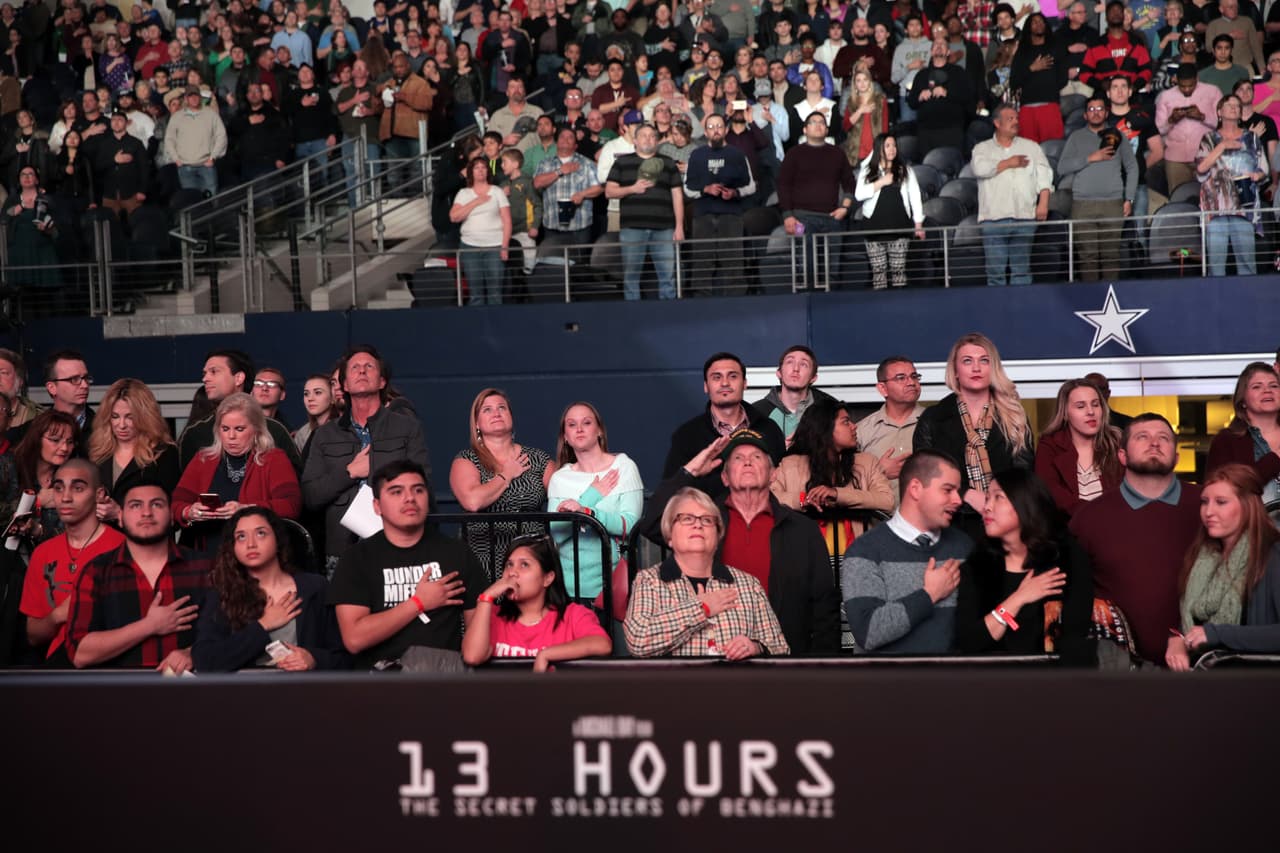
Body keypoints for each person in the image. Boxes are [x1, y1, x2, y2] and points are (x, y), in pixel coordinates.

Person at [1070, 413, 1202, 665]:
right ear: (1122, 456)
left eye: (1163, 438)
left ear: (1176, 457)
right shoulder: (1089, 517)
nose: (1154, 443)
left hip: (1199, 666)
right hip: (1117, 674)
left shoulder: (1207, 506)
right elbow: (1074, 594)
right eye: (1143, 437)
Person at [329, 460, 485, 670]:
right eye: (396, 492)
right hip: (379, 683)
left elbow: (480, 630)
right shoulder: (357, 558)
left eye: (418, 490)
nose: (410, 498)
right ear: (377, 506)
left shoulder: (457, 553)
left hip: (444, 680)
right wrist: (418, 603)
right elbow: (354, 639)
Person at [301, 345, 431, 571]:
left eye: (369, 367)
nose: (362, 371)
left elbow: (423, 483)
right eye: (355, 368)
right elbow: (310, 495)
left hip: (398, 545)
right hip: (341, 552)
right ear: (344, 385)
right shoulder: (324, 435)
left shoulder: (407, 427)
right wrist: (349, 472)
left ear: (382, 382)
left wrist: (372, 466)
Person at [625, 486, 790, 658]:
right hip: (676, 685)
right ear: (669, 536)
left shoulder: (749, 585)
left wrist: (757, 647)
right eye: (687, 518)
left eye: (707, 520)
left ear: (718, 535)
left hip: (734, 684)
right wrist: (701, 608)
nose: (697, 524)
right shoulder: (650, 581)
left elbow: (781, 649)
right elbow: (638, 641)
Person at [66, 481, 210, 672]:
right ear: (120, 517)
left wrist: (195, 653)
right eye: (135, 505)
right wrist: (149, 626)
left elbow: (234, 633)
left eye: (157, 504)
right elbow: (79, 653)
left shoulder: (206, 568)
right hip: (118, 695)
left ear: (171, 517)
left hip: (190, 694)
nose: (146, 513)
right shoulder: (96, 572)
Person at [955, 468, 1096, 664]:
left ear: (1025, 503)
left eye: (998, 498)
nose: (987, 506)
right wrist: (1018, 598)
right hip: (993, 683)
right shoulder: (978, 566)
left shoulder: (1065, 558)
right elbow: (970, 642)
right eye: (987, 498)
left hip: (1055, 683)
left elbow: (1075, 636)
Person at [842, 449, 972, 653]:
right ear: (916, 489)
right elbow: (868, 633)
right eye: (948, 490)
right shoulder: (864, 551)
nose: (958, 500)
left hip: (954, 681)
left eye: (958, 491)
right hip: (890, 683)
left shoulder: (964, 547)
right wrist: (929, 595)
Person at [192, 507, 348, 671]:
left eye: (261, 533)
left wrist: (314, 659)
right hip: (242, 693)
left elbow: (344, 659)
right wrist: (262, 625)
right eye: (241, 537)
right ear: (233, 547)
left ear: (278, 541)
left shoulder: (315, 587)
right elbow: (205, 661)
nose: (251, 544)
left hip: (302, 692)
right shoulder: (222, 594)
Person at [914, 333, 1035, 541]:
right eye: (967, 361)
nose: (976, 368)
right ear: (955, 370)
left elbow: (1023, 476)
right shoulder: (933, 419)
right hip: (948, 527)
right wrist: (967, 494)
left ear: (993, 368)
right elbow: (925, 477)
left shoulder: (1015, 416)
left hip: (1004, 524)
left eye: (984, 360)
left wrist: (992, 500)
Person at [1167, 464, 1280, 668]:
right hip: (1214, 682)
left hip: (1261, 688)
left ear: (1247, 505)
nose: (1208, 511)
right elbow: (1193, 621)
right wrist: (1177, 640)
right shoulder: (1204, 557)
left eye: (1221, 502)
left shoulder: (1273, 556)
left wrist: (1216, 634)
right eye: (1204, 502)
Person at [19, 460, 126, 663]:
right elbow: (33, 636)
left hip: (111, 667)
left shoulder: (122, 547)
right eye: (59, 488)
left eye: (78, 488)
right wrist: (58, 615)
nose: (66, 498)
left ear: (99, 494)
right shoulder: (43, 553)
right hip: (57, 671)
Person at [171, 393, 302, 555]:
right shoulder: (203, 459)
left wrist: (246, 510)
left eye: (239, 429)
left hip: (256, 555)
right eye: (225, 429)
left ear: (256, 429)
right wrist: (188, 512)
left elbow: (291, 506)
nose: (231, 437)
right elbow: (176, 504)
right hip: (206, 555)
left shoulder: (274, 459)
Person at [461, 534, 612, 669]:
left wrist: (546, 655)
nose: (512, 573)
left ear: (548, 578)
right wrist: (486, 598)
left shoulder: (573, 614)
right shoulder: (491, 614)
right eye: (509, 564)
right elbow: (472, 656)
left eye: (524, 565)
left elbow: (602, 644)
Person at [449, 388, 556, 580]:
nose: (496, 413)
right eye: (487, 409)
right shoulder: (466, 459)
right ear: (477, 424)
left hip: (531, 559)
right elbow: (472, 501)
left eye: (502, 408)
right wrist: (506, 475)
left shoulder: (538, 459)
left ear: (511, 417)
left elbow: (564, 496)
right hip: (483, 560)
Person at [771, 400, 895, 556]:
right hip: (805, 558)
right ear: (825, 428)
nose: (854, 426)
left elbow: (887, 501)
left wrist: (837, 494)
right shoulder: (790, 464)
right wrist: (805, 499)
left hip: (858, 559)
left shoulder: (867, 462)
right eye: (845, 422)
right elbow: (770, 499)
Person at [657, 352, 786, 502]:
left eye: (733, 376)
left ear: (745, 383)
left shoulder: (769, 429)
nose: (725, 383)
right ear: (706, 386)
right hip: (707, 520)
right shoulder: (686, 435)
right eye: (717, 377)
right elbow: (671, 494)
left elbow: (783, 482)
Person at [545, 402, 643, 599]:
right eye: (572, 425)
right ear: (565, 437)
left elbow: (630, 526)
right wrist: (591, 496)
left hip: (615, 587)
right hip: (571, 590)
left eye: (587, 423)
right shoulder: (560, 478)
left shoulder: (623, 468)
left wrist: (586, 512)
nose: (579, 429)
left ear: (599, 430)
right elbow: (557, 533)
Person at [1057, 96, 1138, 282]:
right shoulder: (1076, 137)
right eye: (1092, 110)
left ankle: (1111, 297)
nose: (1096, 113)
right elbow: (1062, 167)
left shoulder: (1119, 136)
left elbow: (1132, 167)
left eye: (1100, 108)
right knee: (1087, 258)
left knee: (1111, 257)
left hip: (1113, 203)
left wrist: (1130, 198)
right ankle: (1091, 300)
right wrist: (1090, 158)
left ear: (1106, 112)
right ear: (1085, 115)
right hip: (1082, 205)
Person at [971, 104, 1053, 287]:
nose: (1016, 122)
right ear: (997, 123)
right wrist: (1009, 162)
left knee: (1022, 273)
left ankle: (1022, 312)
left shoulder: (1031, 147)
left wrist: (1043, 203)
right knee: (995, 275)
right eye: (1010, 119)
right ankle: (997, 313)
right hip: (993, 219)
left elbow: (1045, 177)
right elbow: (980, 168)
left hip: (1024, 217)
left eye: (1017, 118)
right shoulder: (982, 149)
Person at [178, 350, 300, 471]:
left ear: (239, 378)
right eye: (204, 373)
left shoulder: (273, 430)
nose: (205, 378)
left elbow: (294, 482)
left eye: (214, 371)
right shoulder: (195, 434)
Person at [605, 123, 685, 301]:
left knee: (668, 275)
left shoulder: (668, 163)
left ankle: (669, 314)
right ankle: (634, 316)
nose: (648, 139)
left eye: (652, 136)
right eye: (643, 135)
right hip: (632, 228)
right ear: (635, 140)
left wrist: (679, 227)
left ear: (657, 140)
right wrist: (632, 189)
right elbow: (609, 191)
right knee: (631, 276)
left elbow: (677, 195)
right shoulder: (622, 162)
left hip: (664, 228)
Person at [87, 379, 180, 524]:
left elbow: (171, 517)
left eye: (130, 417)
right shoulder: (97, 451)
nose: (121, 425)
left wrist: (119, 514)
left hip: (146, 543)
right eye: (115, 417)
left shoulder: (164, 453)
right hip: (104, 541)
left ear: (145, 417)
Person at [683, 113, 756, 296]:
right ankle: (701, 300)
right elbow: (687, 188)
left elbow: (751, 186)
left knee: (733, 258)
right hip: (703, 214)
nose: (715, 130)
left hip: (731, 214)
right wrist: (705, 190)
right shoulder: (696, 155)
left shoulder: (738, 154)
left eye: (719, 126)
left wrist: (735, 192)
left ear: (725, 130)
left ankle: (736, 299)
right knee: (702, 258)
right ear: (705, 132)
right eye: (711, 127)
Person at [1196, 93, 1266, 277]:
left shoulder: (1251, 138)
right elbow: (1201, 168)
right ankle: (1215, 302)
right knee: (1217, 264)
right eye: (1229, 104)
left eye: (1237, 105)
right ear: (1219, 112)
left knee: (1247, 264)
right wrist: (1222, 146)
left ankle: (1249, 301)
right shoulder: (1209, 138)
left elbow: (1263, 169)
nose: (1234, 107)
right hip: (1216, 207)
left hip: (1244, 206)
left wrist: (1257, 175)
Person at [1035, 378, 1125, 520]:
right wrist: (1092, 513)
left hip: (1113, 526)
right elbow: (1049, 491)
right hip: (1067, 531)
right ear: (1065, 413)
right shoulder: (1050, 446)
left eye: (1095, 405)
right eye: (1080, 406)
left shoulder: (1117, 442)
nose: (1090, 412)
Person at [854, 132, 925, 290]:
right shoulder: (868, 170)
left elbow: (915, 197)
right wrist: (881, 182)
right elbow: (859, 195)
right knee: (878, 273)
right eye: (887, 145)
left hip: (900, 226)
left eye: (894, 145)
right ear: (879, 148)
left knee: (899, 271)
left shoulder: (905, 169)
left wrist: (918, 224)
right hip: (874, 227)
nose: (892, 149)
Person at [1207, 362, 1280, 505]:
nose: (1267, 391)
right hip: (1250, 527)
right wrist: (1274, 459)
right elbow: (1222, 494)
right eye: (1257, 387)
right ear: (1243, 401)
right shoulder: (1226, 441)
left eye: (1274, 386)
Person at [857, 356, 926, 500]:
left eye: (914, 376)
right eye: (901, 378)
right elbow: (846, 482)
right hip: (877, 519)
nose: (911, 383)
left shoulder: (934, 421)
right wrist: (879, 472)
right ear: (883, 388)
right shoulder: (861, 431)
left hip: (927, 518)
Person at [451, 157, 511, 306]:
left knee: (495, 292)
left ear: (488, 171)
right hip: (470, 247)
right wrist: (476, 202)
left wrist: (505, 246)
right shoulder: (463, 193)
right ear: (471, 171)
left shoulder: (497, 192)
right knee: (475, 292)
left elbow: (507, 220)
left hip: (495, 246)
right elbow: (454, 217)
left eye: (483, 167)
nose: (480, 170)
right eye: (476, 167)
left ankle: (496, 325)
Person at [13, 411, 80, 545]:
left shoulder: (74, 477)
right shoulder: (10, 466)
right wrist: (37, 503)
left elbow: (76, 532)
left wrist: (39, 531)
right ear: (36, 439)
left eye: (70, 441)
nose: (65, 448)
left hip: (54, 558)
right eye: (55, 440)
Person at [1155, 62, 1221, 194]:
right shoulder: (1165, 96)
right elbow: (1160, 129)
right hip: (1176, 160)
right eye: (1182, 86)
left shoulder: (1213, 91)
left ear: (1197, 78)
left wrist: (1202, 116)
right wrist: (1172, 120)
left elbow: (1220, 123)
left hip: (1207, 156)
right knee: (1178, 198)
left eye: (1190, 85)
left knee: (1209, 198)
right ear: (1176, 80)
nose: (1186, 89)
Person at [755, 345, 837, 447]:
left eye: (803, 364)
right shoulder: (757, 412)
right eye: (790, 362)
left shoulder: (831, 409)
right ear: (779, 373)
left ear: (813, 378)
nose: (796, 369)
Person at [2, 166, 60, 295]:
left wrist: (48, 229)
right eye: (23, 174)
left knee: (44, 295)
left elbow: (57, 227)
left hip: (42, 252)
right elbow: (4, 219)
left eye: (30, 174)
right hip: (19, 254)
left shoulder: (47, 200)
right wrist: (19, 208)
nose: (27, 177)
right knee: (21, 295)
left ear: (37, 180)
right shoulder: (12, 200)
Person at [164, 84, 227, 195]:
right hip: (185, 167)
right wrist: (176, 158)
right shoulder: (176, 117)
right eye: (190, 96)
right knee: (192, 202)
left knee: (211, 200)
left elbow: (221, 135)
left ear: (200, 97)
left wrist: (213, 157)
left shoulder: (211, 114)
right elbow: (169, 139)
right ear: (185, 99)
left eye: (196, 95)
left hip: (206, 166)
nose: (193, 98)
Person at [293, 373, 338, 453]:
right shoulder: (303, 434)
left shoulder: (344, 429)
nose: (310, 398)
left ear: (332, 398)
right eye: (306, 394)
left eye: (318, 392)